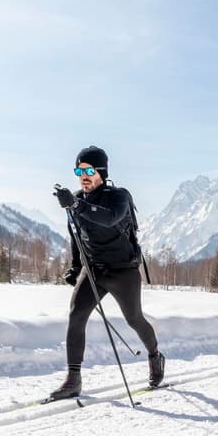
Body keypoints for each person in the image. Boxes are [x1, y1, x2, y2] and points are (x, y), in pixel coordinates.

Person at [50, 145, 164, 400]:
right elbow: (76, 237)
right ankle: (73, 379)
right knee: (76, 315)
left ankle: (155, 356)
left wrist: (76, 205)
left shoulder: (118, 196)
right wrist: (76, 267)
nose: (83, 175)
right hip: (95, 271)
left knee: (134, 319)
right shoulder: (77, 200)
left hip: (124, 271)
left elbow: (110, 218)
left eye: (89, 170)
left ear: (101, 172)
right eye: (79, 170)